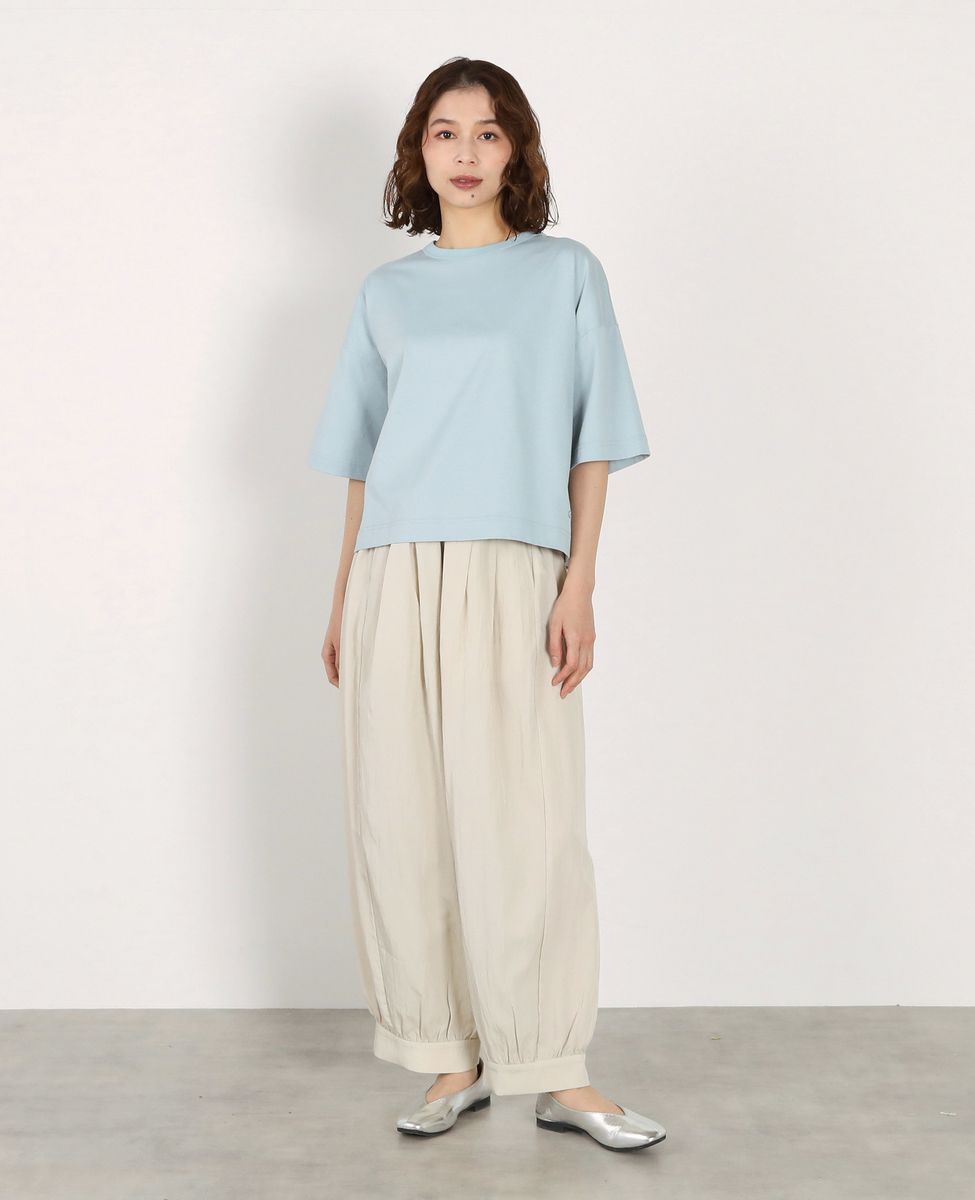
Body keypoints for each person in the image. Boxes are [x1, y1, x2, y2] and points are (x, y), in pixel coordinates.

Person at [307, 57, 665, 1153]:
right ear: (418, 153)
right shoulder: (386, 294)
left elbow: (594, 439)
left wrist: (579, 582)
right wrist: (341, 598)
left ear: (518, 150)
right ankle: (447, 1054)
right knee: (403, 819)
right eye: (444, 133)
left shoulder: (564, 272)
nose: (465, 154)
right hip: (393, 572)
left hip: (516, 568)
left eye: (488, 133)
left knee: (527, 822)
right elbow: (364, 461)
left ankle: (555, 1068)